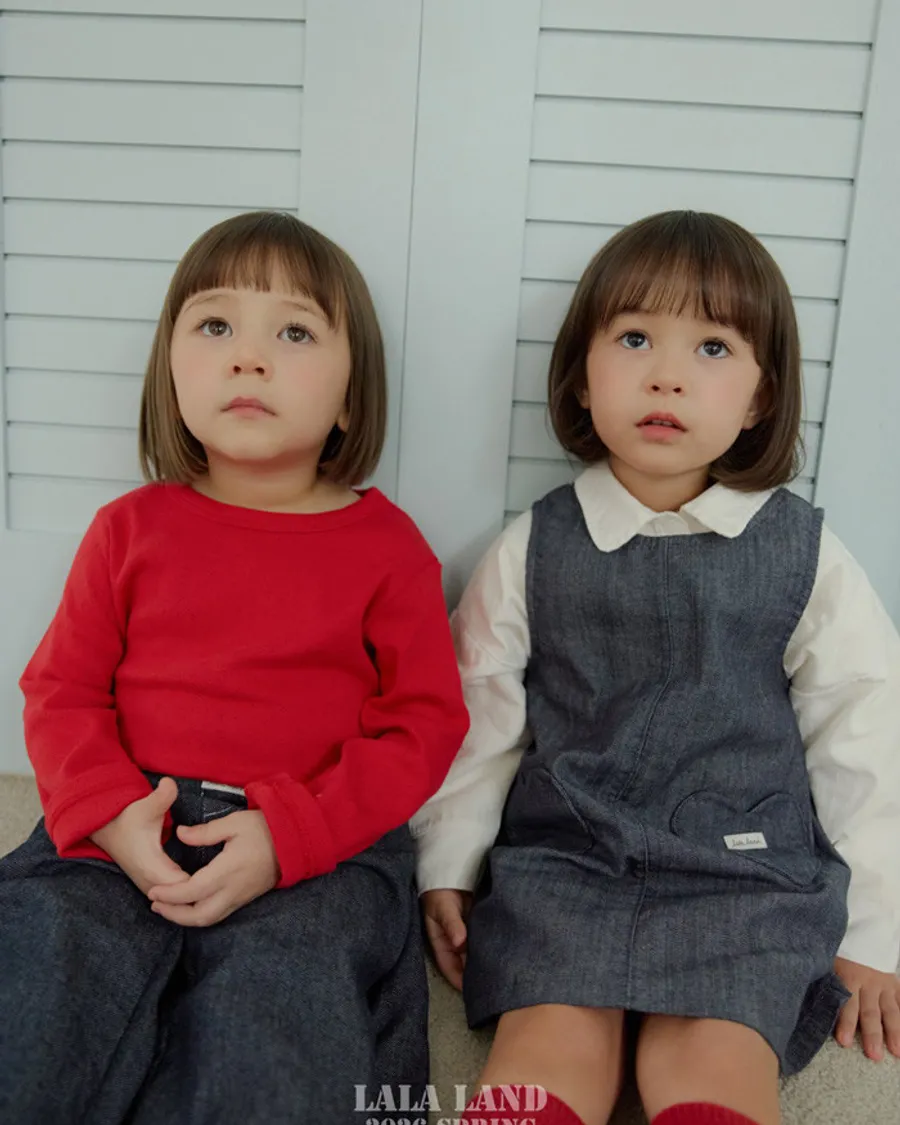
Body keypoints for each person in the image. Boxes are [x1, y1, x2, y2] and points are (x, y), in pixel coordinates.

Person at [413, 211, 900, 1125]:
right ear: (582, 374)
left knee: (715, 1058)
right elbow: (478, 713)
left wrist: (875, 928)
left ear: (759, 398)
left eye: (713, 347)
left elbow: (863, 729)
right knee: (545, 1045)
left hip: (744, 870)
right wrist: (450, 858)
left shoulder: (803, 553)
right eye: (635, 338)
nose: (667, 375)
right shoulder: (535, 546)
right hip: (570, 854)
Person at [0, 210, 469, 1125]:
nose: (248, 358)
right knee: (37, 976)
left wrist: (295, 834)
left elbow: (423, 725)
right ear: (171, 373)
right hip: (122, 824)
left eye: (293, 333)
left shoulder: (387, 547)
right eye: (216, 325)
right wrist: (107, 812)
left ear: (349, 398)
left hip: (312, 848)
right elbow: (62, 690)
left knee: (276, 1030)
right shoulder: (128, 530)